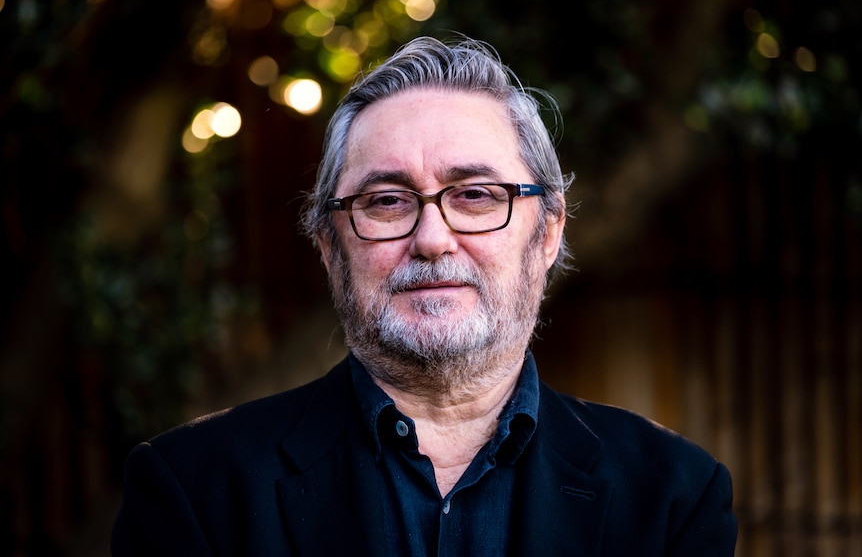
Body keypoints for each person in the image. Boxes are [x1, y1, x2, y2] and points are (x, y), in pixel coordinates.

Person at [111, 35, 737, 556]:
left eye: (475, 196)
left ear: (546, 233)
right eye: (386, 201)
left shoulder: (673, 496)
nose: (433, 240)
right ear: (330, 246)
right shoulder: (194, 489)